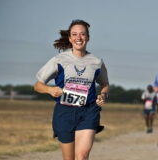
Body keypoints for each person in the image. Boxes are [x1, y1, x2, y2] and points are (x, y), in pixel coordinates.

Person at [34, 19, 109, 160]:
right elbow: (37, 85)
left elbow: (105, 84)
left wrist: (103, 95)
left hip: (88, 111)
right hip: (64, 112)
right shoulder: (59, 60)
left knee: (81, 156)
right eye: (74, 34)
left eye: (82, 34)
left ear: (88, 37)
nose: (78, 38)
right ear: (69, 38)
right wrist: (50, 90)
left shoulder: (96, 62)